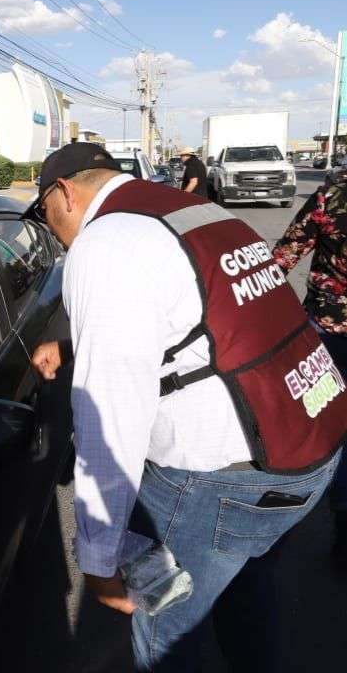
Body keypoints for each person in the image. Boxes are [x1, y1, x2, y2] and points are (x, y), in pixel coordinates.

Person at [30, 142, 345, 672]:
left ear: (63, 192)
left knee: (169, 633)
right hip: (313, 439)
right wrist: (73, 344)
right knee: (249, 594)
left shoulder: (104, 243)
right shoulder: (195, 213)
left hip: (220, 481)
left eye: (43, 214)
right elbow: (202, 316)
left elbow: (111, 411)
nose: (51, 229)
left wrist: (99, 556)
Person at [274, 167, 347, 571]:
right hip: (328, 331)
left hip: (328, 332)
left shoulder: (334, 192)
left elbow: (287, 253)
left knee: (322, 425)